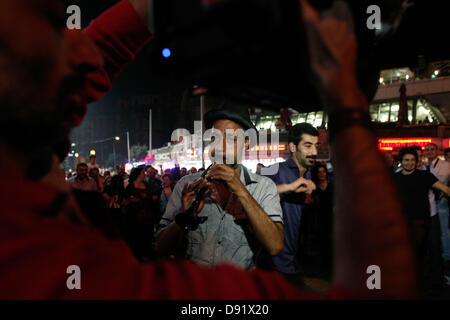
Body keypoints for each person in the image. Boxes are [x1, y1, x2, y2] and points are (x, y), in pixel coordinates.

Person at [0, 0, 417, 299]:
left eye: (233, 136)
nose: (87, 54)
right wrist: (346, 101)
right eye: (58, 25)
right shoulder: (48, 267)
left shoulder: (263, 187)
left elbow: (274, 245)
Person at [156, 102, 284, 269]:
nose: (220, 147)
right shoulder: (186, 185)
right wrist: (184, 217)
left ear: (246, 143)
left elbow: (275, 246)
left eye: (230, 139)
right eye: (214, 138)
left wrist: (240, 190)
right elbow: (160, 247)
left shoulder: (263, 187)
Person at [262, 123, 318, 287]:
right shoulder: (273, 170)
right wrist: (288, 188)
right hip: (275, 263)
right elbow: (252, 195)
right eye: (308, 146)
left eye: (316, 146)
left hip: (298, 261)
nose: (314, 152)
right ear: (292, 147)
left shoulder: (308, 174)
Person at [394, 147, 450, 297]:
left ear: (417, 161)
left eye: (413, 160)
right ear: (401, 161)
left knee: (418, 254)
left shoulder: (425, 175)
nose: (410, 163)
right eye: (406, 160)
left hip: (420, 222)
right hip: (401, 223)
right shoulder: (395, 178)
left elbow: (445, 189)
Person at [424, 143, 450, 287]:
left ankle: (446, 261)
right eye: (427, 150)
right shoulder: (422, 166)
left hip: (442, 202)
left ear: (437, 150)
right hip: (428, 205)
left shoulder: (446, 165)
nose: (429, 152)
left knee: (444, 233)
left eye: (432, 149)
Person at [122, 166, 156, 260]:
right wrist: (131, 200)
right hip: (134, 217)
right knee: (135, 237)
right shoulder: (130, 186)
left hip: (146, 216)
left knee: (146, 236)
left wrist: (146, 197)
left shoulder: (147, 185)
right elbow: (124, 201)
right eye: (143, 172)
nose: (144, 174)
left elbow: (152, 198)